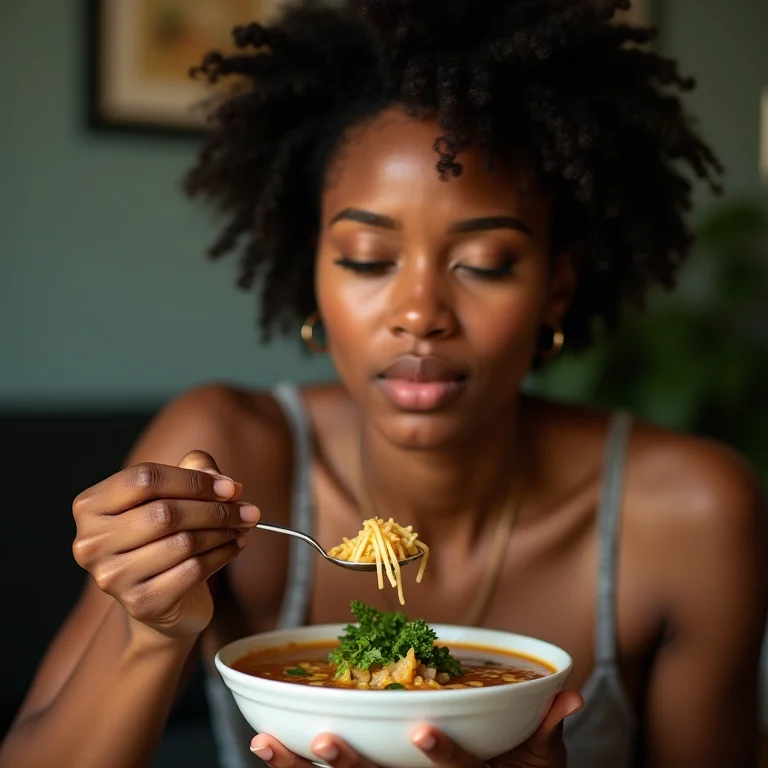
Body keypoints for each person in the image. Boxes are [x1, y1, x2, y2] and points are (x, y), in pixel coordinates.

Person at [2, 1, 766, 766]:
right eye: (368, 257)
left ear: (555, 289)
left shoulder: (691, 517)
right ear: (314, 275)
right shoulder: (230, 455)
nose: (419, 314)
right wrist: (150, 632)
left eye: (486, 263)